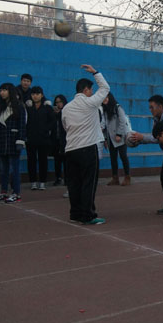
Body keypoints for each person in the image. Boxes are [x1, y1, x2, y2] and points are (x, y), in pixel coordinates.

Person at [61, 64, 109, 225]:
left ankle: (75, 213)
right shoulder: (90, 103)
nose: (92, 93)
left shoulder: (66, 108)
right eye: (91, 90)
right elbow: (105, 88)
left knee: (74, 183)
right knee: (89, 182)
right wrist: (96, 72)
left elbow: (65, 126)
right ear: (86, 90)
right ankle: (88, 215)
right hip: (88, 148)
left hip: (71, 149)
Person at [129, 95, 163, 215]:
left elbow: (160, 138)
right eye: (149, 107)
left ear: (160, 107)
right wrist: (140, 140)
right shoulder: (156, 119)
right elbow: (155, 135)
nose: (150, 110)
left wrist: (142, 138)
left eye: (152, 107)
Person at [0, 83, 27, 203]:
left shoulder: (19, 107)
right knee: (3, 169)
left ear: (11, 91)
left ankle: (16, 193)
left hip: (13, 141)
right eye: (1, 90)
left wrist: (20, 141)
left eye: (5, 90)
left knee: (15, 169)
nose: (2, 92)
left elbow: (22, 126)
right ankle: (4, 192)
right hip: (1, 140)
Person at [25, 86, 55, 190]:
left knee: (43, 161)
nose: (35, 96)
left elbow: (52, 121)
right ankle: (33, 182)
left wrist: (46, 129)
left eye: (37, 94)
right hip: (31, 139)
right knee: (31, 161)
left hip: (44, 139)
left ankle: (42, 182)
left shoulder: (47, 107)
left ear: (41, 95)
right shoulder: (28, 107)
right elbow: (24, 122)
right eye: (33, 94)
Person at [101, 92, 132, 186]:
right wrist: (105, 139)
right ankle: (115, 178)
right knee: (113, 158)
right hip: (110, 138)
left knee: (123, 156)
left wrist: (119, 134)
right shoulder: (104, 110)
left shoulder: (117, 107)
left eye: (106, 97)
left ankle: (127, 177)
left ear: (110, 98)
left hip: (120, 137)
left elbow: (123, 121)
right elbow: (104, 126)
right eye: (103, 98)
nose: (105, 99)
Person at [52, 94, 68, 186]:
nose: (58, 104)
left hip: (65, 140)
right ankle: (58, 177)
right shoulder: (53, 113)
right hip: (56, 140)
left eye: (60, 102)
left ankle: (67, 178)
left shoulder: (67, 111)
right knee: (57, 160)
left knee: (66, 160)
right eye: (57, 102)